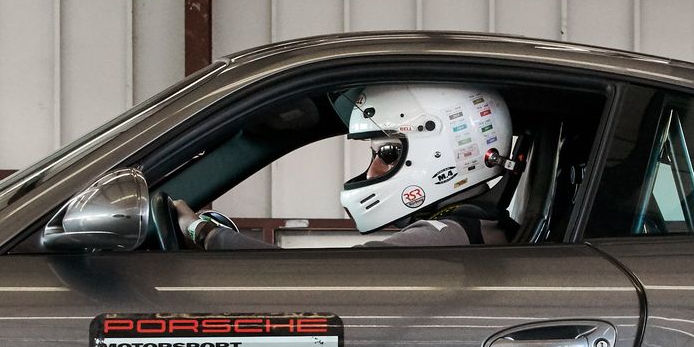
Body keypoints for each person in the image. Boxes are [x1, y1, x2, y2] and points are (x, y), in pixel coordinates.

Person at [174, 84, 521, 250]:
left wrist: (203, 232)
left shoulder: (441, 238)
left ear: (440, 149)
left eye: (386, 153)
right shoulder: (471, 228)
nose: (371, 173)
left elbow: (315, 278)